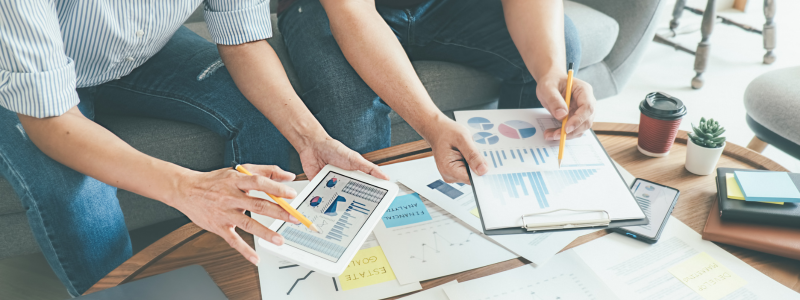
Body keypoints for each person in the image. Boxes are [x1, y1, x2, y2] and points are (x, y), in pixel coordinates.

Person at [0, 1, 387, 296]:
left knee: (263, 113)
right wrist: (188, 188)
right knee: (79, 192)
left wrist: (311, 139)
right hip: (17, 80)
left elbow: (244, 39)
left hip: (143, 51)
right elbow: (51, 120)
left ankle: (260, 279)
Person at [277, 0, 597, 184]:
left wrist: (550, 72)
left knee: (561, 45)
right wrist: (432, 125)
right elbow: (353, 14)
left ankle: (512, 193)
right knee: (347, 106)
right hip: (326, 7)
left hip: (442, 6)